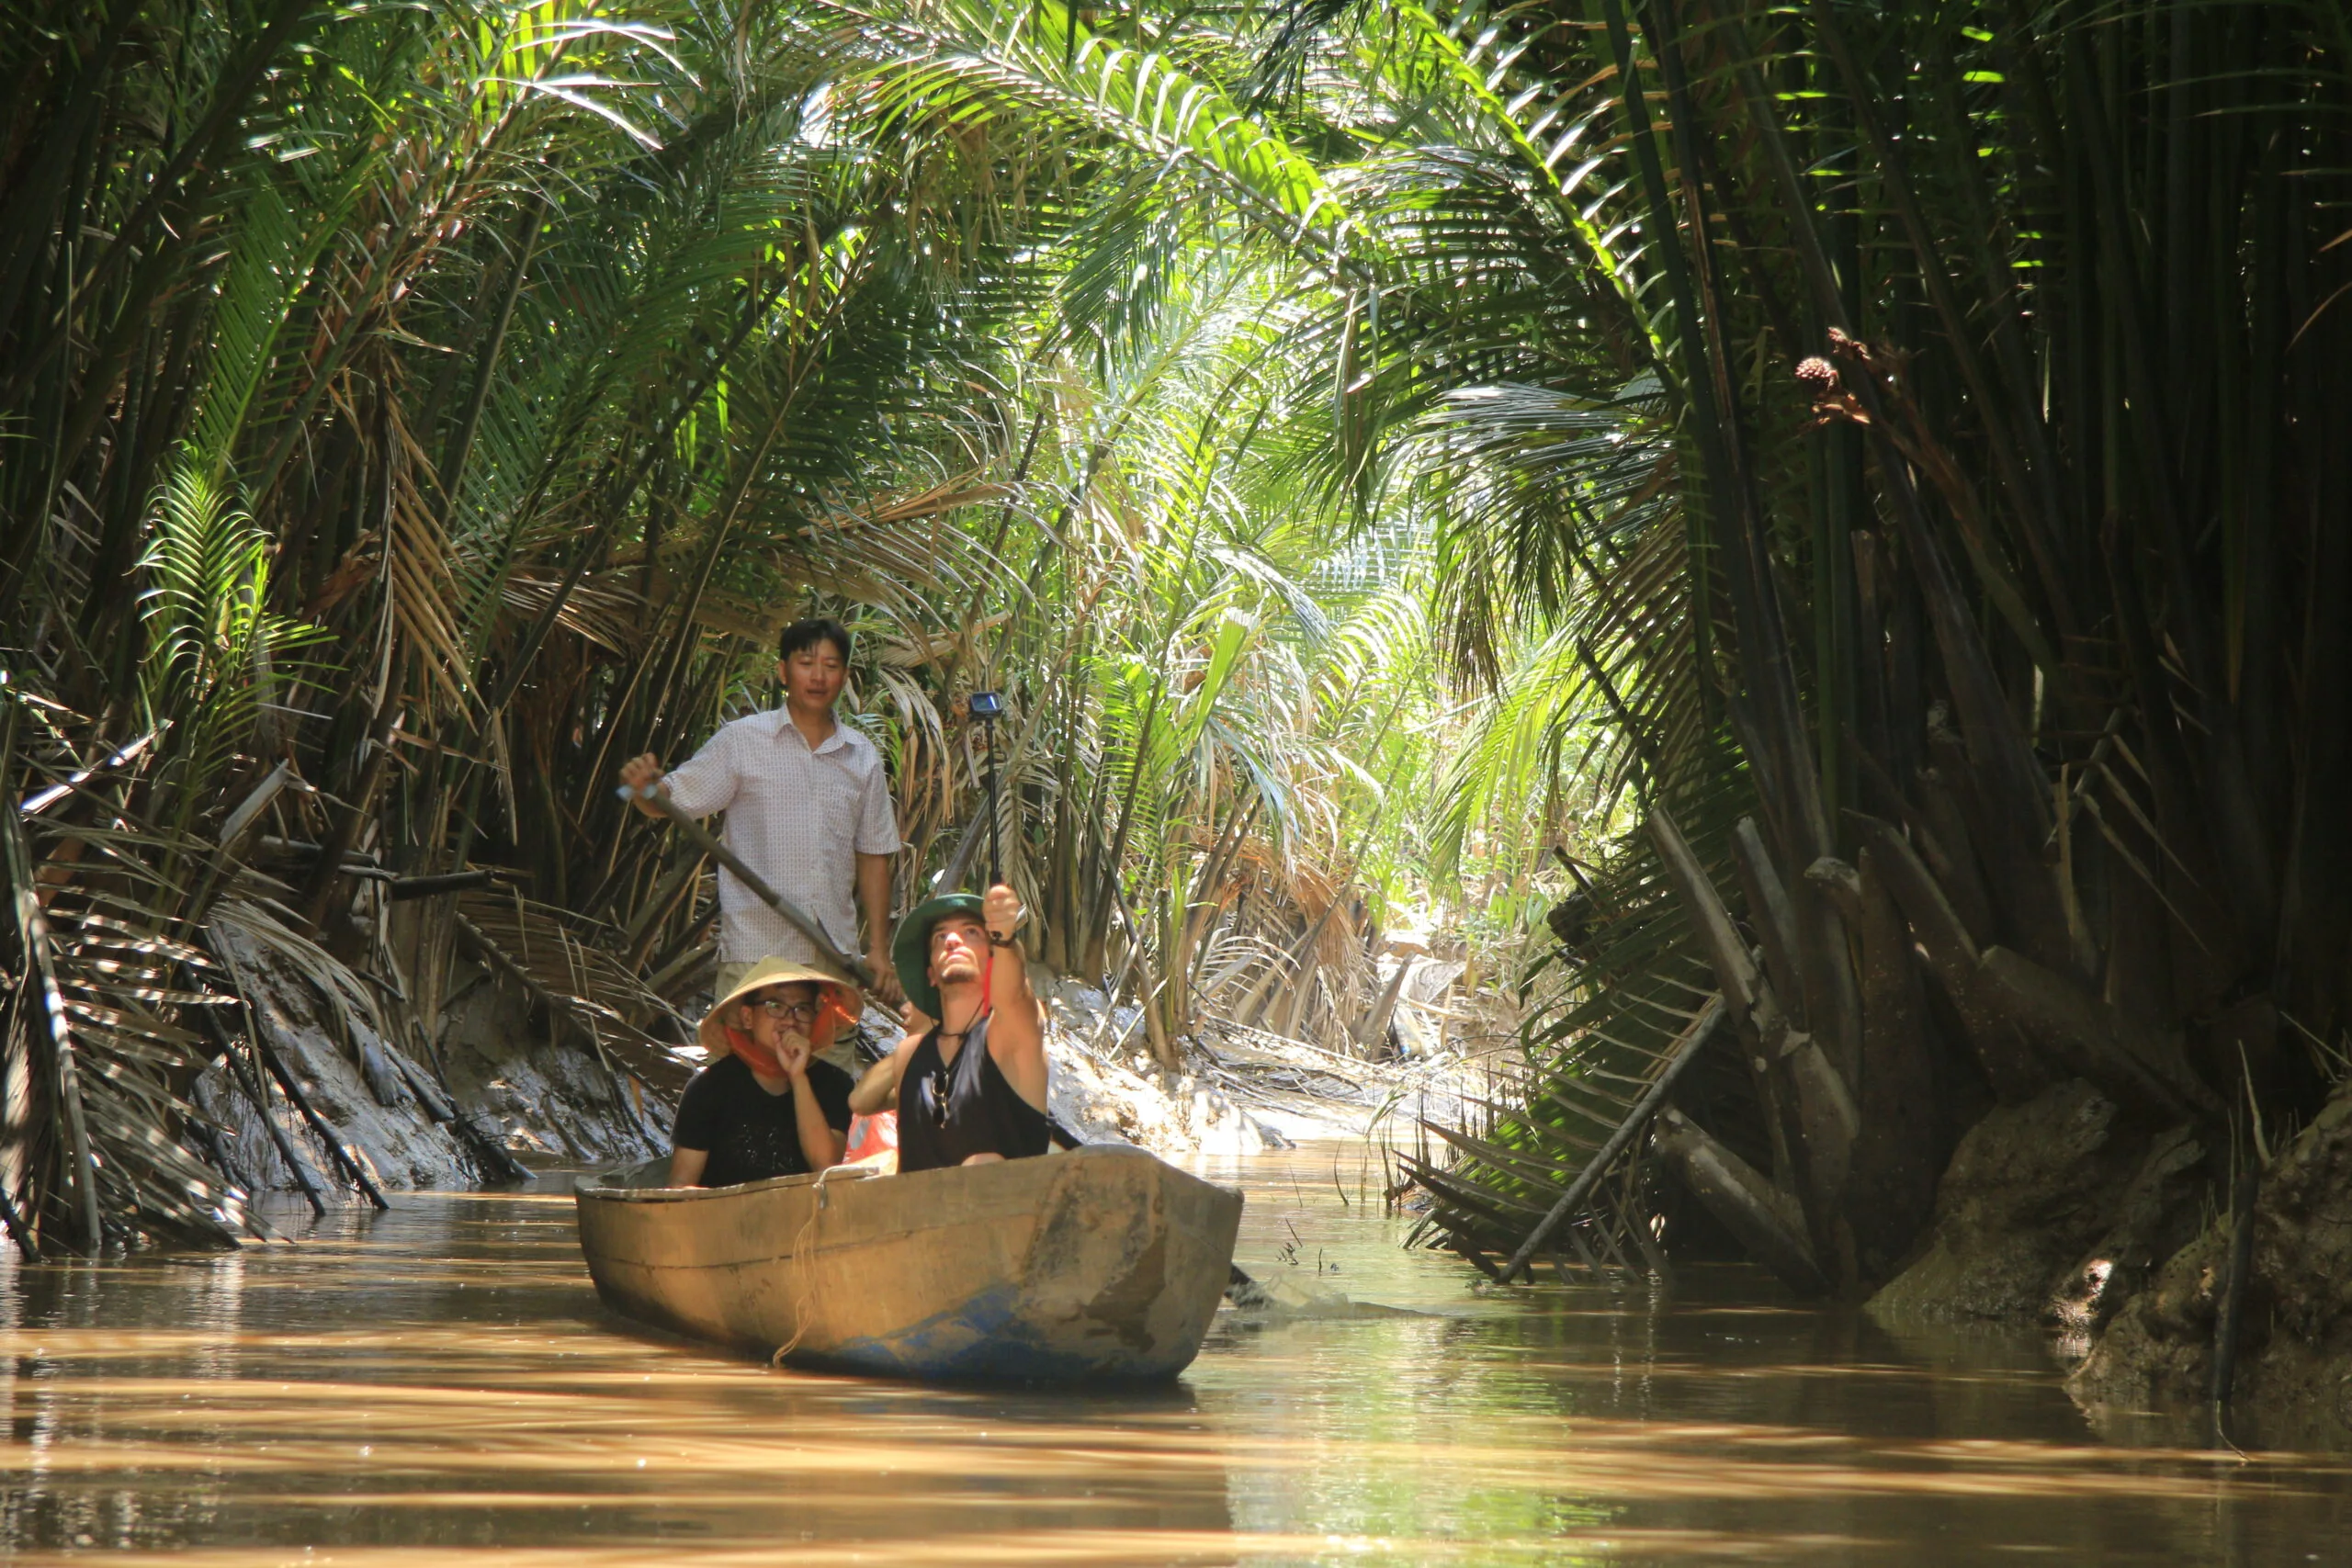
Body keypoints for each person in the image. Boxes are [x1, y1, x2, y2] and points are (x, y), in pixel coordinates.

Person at [620, 617, 904, 1031]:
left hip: (833, 955)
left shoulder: (861, 758)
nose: (819, 676)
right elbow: (670, 802)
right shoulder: (742, 741)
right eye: (806, 662)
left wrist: (877, 950)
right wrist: (646, 790)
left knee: (828, 1080)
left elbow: (874, 854)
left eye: (830, 664)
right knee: (746, 1082)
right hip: (756, 951)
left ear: (844, 675)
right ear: (783, 670)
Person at [850, 883, 1052, 1171]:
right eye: (940, 936)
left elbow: (1015, 996)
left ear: (994, 959)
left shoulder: (1009, 1033)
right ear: (931, 973)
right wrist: (929, 1023)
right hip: (922, 1211)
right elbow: (859, 1100)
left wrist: (1004, 938)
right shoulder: (912, 1052)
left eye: (972, 932)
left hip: (1002, 1212)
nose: (952, 940)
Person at [670, 959, 859, 1187]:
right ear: (748, 1017)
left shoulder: (835, 1084)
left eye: (802, 1009)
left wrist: (798, 1077)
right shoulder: (710, 1087)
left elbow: (825, 1166)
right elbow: (681, 1187)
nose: (789, 1020)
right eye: (775, 1006)